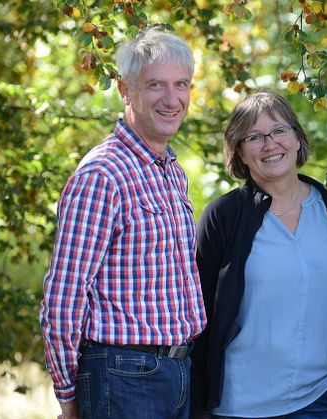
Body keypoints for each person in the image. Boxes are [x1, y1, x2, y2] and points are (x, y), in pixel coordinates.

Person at [39, 28, 206, 419]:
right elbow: (64, 297)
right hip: (123, 376)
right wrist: (67, 397)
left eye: (181, 85)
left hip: (177, 370)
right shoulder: (103, 174)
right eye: (156, 85)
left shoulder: (170, 172)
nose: (172, 99)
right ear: (125, 90)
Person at [191, 91, 327, 418]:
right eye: (254, 137)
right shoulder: (224, 216)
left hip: (320, 401)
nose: (270, 144)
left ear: (296, 137)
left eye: (279, 131)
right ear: (239, 152)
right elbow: (196, 315)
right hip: (237, 407)